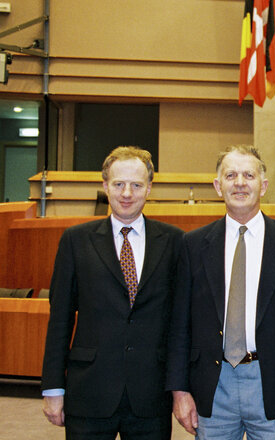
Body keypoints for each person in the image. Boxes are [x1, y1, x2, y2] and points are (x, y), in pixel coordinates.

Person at [166, 145, 275, 439]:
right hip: (212, 384)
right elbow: (179, 324)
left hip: (271, 382)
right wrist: (179, 391)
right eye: (231, 175)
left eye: (249, 175)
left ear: (264, 185)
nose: (240, 183)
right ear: (218, 186)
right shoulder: (193, 245)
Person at [41, 146, 184, 439]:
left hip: (150, 394)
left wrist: (181, 388)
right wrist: (53, 388)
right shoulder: (75, 241)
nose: (127, 193)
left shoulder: (174, 242)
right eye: (119, 184)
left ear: (149, 188)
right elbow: (60, 320)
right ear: (105, 186)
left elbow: (180, 323)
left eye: (136, 184)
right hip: (89, 390)